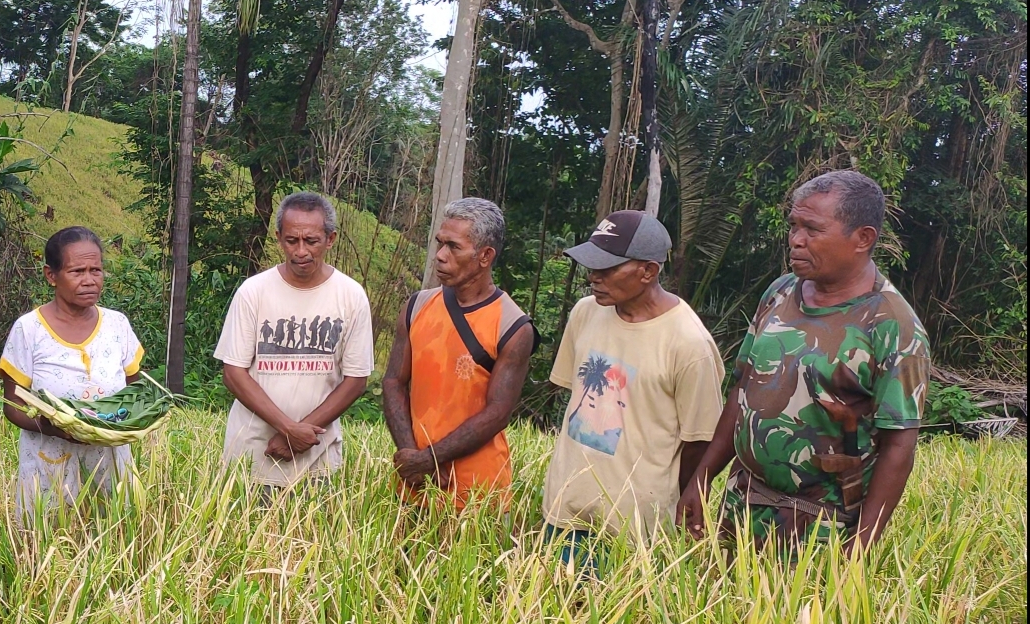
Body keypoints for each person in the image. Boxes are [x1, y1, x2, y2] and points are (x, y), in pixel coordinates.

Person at [678, 170, 929, 553]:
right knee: (723, 611)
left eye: (812, 229)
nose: (796, 240)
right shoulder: (779, 293)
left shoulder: (893, 326)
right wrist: (702, 478)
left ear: (863, 239)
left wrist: (860, 548)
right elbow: (744, 389)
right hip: (742, 510)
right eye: (793, 226)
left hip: (822, 528)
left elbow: (899, 446)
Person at [540, 211, 723, 568]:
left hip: (636, 530)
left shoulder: (689, 345)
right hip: (565, 510)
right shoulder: (585, 313)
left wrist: (683, 511)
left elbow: (700, 441)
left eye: (608, 269)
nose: (594, 277)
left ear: (648, 272)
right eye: (592, 266)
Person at [214, 192, 374, 492]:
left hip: (317, 456)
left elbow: (356, 379)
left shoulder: (351, 296)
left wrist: (298, 438)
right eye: (291, 240)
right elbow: (233, 373)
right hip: (253, 453)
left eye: (311, 241)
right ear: (278, 238)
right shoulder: (254, 292)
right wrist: (288, 428)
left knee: (315, 538)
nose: (301, 251)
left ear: (330, 239)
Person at [383, 197, 534, 505]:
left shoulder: (512, 327)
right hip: (415, 483)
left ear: (485, 256)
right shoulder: (416, 307)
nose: (439, 256)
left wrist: (430, 460)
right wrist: (412, 459)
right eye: (440, 244)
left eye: (453, 247)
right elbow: (393, 382)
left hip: (478, 492)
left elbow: (497, 413)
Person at [0, 227, 146, 511]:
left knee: (112, 539)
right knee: (47, 542)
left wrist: (122, 425)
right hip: (49, 466)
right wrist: (56, 428)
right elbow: (12, 406)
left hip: (110, 465)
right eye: (77, 271)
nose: (89, 280)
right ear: (51, 276)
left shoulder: (117, 325)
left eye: (96, 270)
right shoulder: (30, 330)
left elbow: (134, 394)